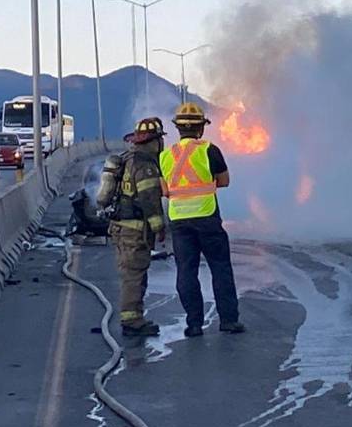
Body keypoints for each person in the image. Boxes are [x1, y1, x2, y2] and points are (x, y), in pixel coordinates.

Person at [160, 102, 244, 337]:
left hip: (179, 221)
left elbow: (164, 189)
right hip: (207, 218)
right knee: (220, 268)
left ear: (178, 128)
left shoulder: (165, 155)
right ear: (201, 128)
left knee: (186, 271)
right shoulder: (210, 150)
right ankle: (228, 320)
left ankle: (194, 324)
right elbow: (224, 181)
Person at [95, 117, 166, 337]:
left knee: (132, 273)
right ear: (154, 141)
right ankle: (132, 322)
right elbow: (149, 199)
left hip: (120, 227)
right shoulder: (144, 165)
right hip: (134, 230)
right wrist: (159, 226)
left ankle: (134, 317)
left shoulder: (126, 159)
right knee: (133, 276)